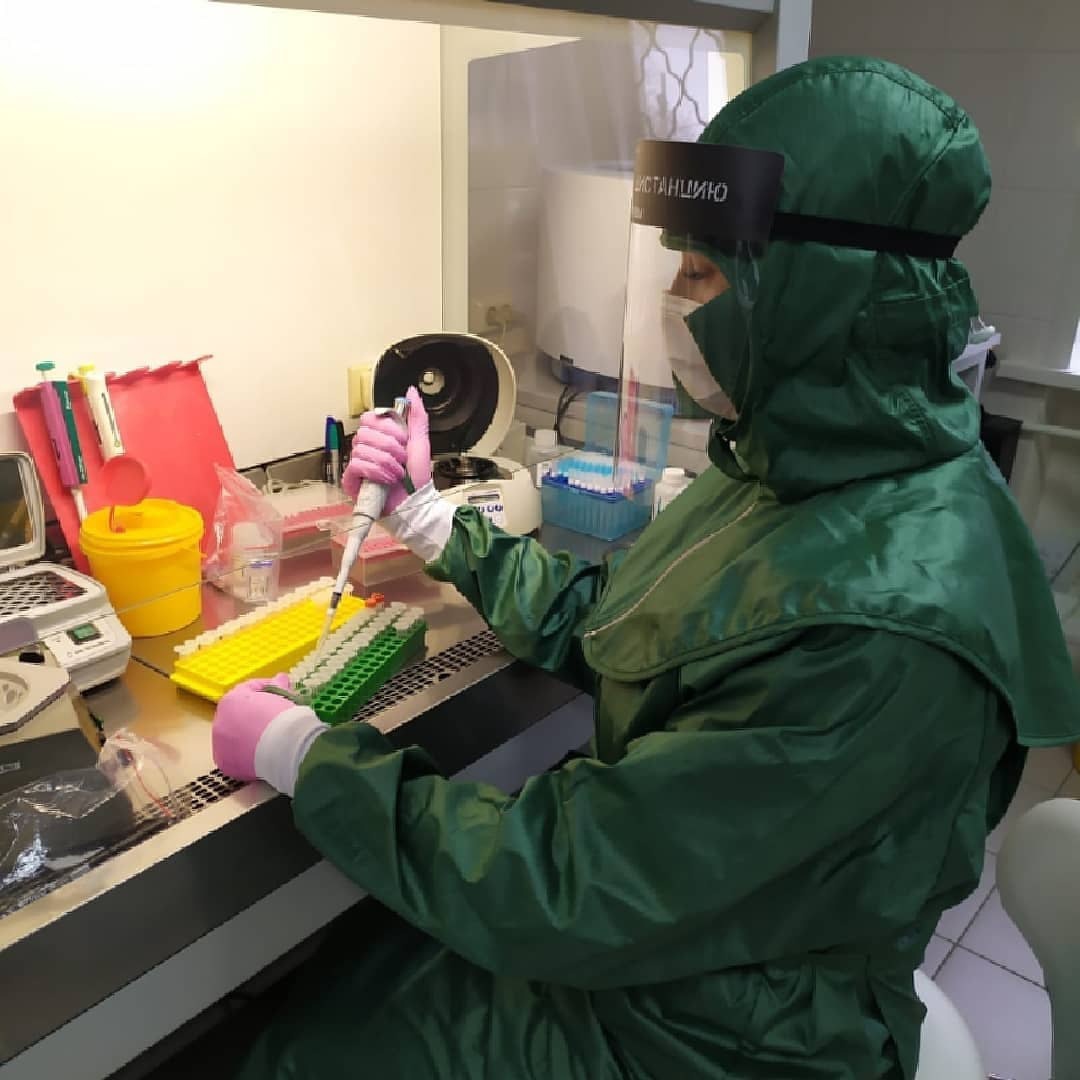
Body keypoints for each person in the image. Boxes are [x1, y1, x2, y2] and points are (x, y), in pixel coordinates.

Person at [212, 56, 1080, 1078]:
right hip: (678, 954)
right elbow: (632, 627)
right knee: (358, 973)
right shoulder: (803, 470)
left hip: (721, 1040)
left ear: (815, 295)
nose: (673, 304)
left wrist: (310, 759)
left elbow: (567, 888)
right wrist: (439, 524)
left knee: (304, 1050)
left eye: (700, 275)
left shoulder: (883, 627)